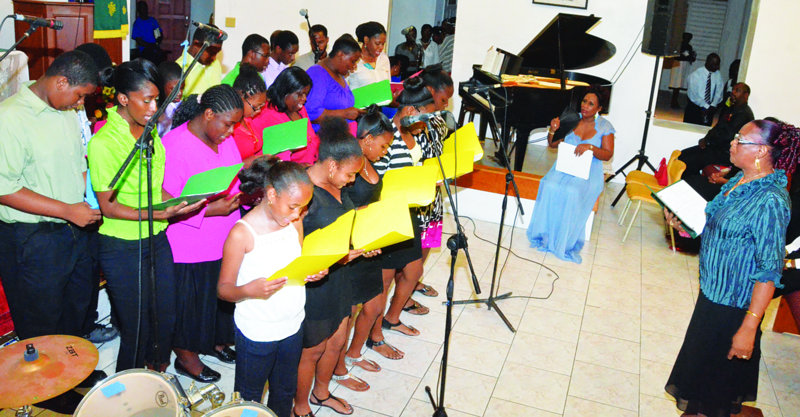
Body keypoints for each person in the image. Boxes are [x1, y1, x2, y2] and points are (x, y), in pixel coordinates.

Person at [664, 119, 800, 417]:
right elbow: (722, 232)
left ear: (761, 151)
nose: (733, 142)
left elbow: (769, 270)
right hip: (711, 299)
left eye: (741, 139)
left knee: (713, 397)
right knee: (700, 388)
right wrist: (685, 228)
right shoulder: (740, 180)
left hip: (734, 310)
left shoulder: (770, 200)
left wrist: (748, 328)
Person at [88, 59, 203, 372]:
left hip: (156, 236)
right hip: (122, 246)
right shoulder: (104, 143)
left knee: (165, 316)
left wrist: (178, 202)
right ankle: (129, 385)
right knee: (136, 327)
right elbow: (109, 206)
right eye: (147, 100)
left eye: (157, 100)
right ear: (123, 99)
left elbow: (155, 189)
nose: (155, 108)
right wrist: (160, 213)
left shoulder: (149, 132)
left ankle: (156, 377)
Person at [217, 156, 324, 417]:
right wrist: (248, 290)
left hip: (292, 324)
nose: (297, 214)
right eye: (293, 206)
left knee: (284, 390)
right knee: (249, 397)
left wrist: (311, 271)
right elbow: (224, 289)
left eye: (303, 208)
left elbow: (296, 264)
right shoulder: (242, 233)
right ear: (272, 194)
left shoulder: (294, 222)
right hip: (257, 330)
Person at [293, 118, 375, 417]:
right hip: (315, 281)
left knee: (338, 340)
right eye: (349, 174)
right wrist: (341, 256)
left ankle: (321, 392)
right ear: (331, 165)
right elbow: (292, 247)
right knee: (313, 349)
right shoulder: (302, 192)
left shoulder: (337, 185)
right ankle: (300, 406)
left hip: (340, 276)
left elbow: (344, 223)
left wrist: (364, 243)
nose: (352, 180)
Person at [163, 84, 245, 382]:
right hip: (189, 240)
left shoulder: (224, 139)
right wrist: (212, 210)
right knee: (191, 304)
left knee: (218, 294)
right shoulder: (174, 145)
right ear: (208, 114)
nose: (231, 131)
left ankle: (215, 341)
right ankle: (186, 357)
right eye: (228, 124)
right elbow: (167, 204)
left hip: (224, 233)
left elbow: (233, 177)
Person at [331, 105, 394, 392]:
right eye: (383, 145)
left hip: (371, 241)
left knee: (375, 305)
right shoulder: (350, 163)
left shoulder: (369, 161)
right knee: (350, 312)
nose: (385, 151)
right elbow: (339, 207)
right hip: (353, 246)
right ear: (367, 139)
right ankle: (338, 369)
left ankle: (353, 353)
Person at [526, 87, 615, 263]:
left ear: (599, 109)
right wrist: (553, 130)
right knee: (549, 185)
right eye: (584, 101)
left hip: (589, 171)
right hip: (565, 166)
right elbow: (553, 144)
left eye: (591, 104)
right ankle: (547, 235)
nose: (585, 106)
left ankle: (564, 241)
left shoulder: (605, 127)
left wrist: (590, 147)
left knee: (572, 191)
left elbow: (607, 155)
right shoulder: (571, 119)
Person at [679, 82, 754, 200]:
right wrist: (706, 139)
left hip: (725, 153)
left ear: (746, 95)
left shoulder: (744, 114)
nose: (733, 93)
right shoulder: (731, 108)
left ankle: (685, 194)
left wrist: (708, 142)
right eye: (733, 90)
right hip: (715, 147)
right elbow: (718, 126)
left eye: (737, 91)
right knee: (682, 155)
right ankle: (684, 190)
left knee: (689, 161)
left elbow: (727, 136)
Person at [250, 66, 319, 165]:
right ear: (285, 92)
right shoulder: (266, 116)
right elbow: (267, 158)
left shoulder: (300, 109)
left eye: (306, 94)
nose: (304, 99)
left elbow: (312, 139)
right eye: (300, 94)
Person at [305, 34, 364, 134]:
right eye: (353, 61)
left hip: (343, 136)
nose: (354, 66)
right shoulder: (317, 74)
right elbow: (311, 113)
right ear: (340, 55)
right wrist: (344, 114)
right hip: (325, 138)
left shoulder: (339, 73)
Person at [231, 64, 268, 167]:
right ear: (241, 96)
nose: (258, 111)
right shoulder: (228, 126)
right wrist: (253, 161)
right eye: (255, 107)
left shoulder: (247, 119)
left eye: (261, 106)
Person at [176, 25, 224, 96]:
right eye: (211, 52)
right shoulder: (179, 68)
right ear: (196, 44)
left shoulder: (215, 63)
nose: (214, 58)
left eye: (217, 52)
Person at [684, 53, 724, 126]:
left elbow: (719, 92)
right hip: (696, 106)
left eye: (718, 64)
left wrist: (713, 105)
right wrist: (705, 106)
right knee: (690, 127)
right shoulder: (695, 75)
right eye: (714, 65)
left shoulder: (717, 74)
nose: (717, 67)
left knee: (705, 129)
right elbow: (693, 95)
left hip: (710, 108)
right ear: (708, 63)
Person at [347, 21, 390, 90]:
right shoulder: (353, 60)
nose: (381, 47)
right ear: (366, 40)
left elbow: (388, 85)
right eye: (377, 43)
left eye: (383, 44)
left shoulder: (384, 58)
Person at [668, 32, 696, 109]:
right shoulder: (680, 46)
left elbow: (689, 57)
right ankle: (673, 102)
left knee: (678, 84)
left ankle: (674, 101)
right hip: (678, 65)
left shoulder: (687, 46)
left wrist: (690, 56)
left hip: (682, 65)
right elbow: (680, 56)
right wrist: (688, 56)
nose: (688, 40)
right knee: (677, 84)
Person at [156, 61, 184, 136]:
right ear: (161, 86)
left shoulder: (180, 108)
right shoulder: (152, 109)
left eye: (182, 88)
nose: (179, 93)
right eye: (174, 89)